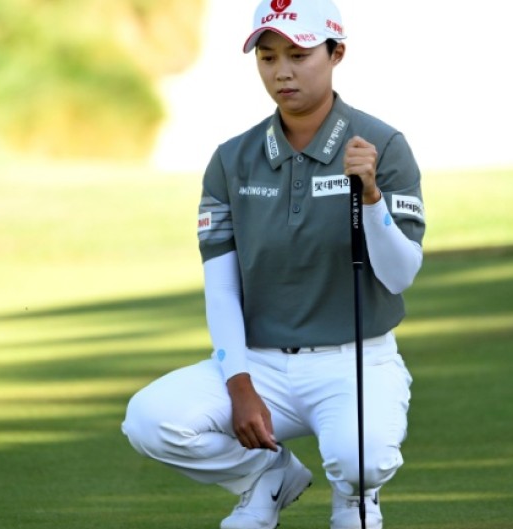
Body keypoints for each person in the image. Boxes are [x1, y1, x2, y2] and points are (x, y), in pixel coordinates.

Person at [121, 0, 425, 527]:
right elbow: (221, 288)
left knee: (360, 464)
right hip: (260, 363)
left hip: (355, 358)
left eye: (299, 54)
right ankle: (266, 476)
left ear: (336, 54)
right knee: (150, 420)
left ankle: (356, 500)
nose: (281, 71)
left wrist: (371, 196)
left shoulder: (381, 145)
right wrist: (240, 384)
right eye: (267, 57)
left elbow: (400, 275)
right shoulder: (231, 160)